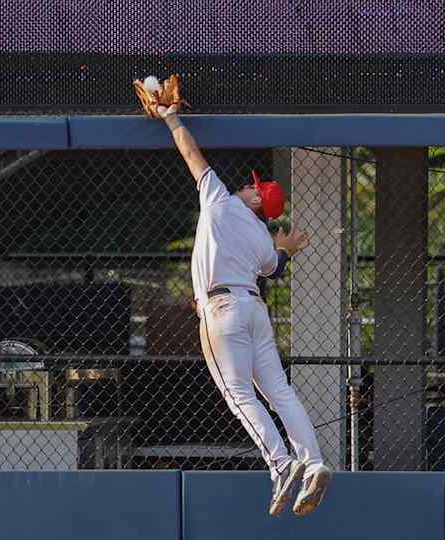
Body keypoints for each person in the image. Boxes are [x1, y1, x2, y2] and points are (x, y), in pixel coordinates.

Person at [155, 101, 332, 517]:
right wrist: (286, 249)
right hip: (254, 310)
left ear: (256, 199)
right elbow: (276, 266)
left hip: (222, 309)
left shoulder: (221, 200)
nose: (248, 185)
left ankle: (282, 464)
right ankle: (315, 461)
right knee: (280, 393)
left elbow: (189, 150)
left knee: (238, 395)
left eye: (254, 186)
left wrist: (170, 118)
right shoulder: (262, 241)